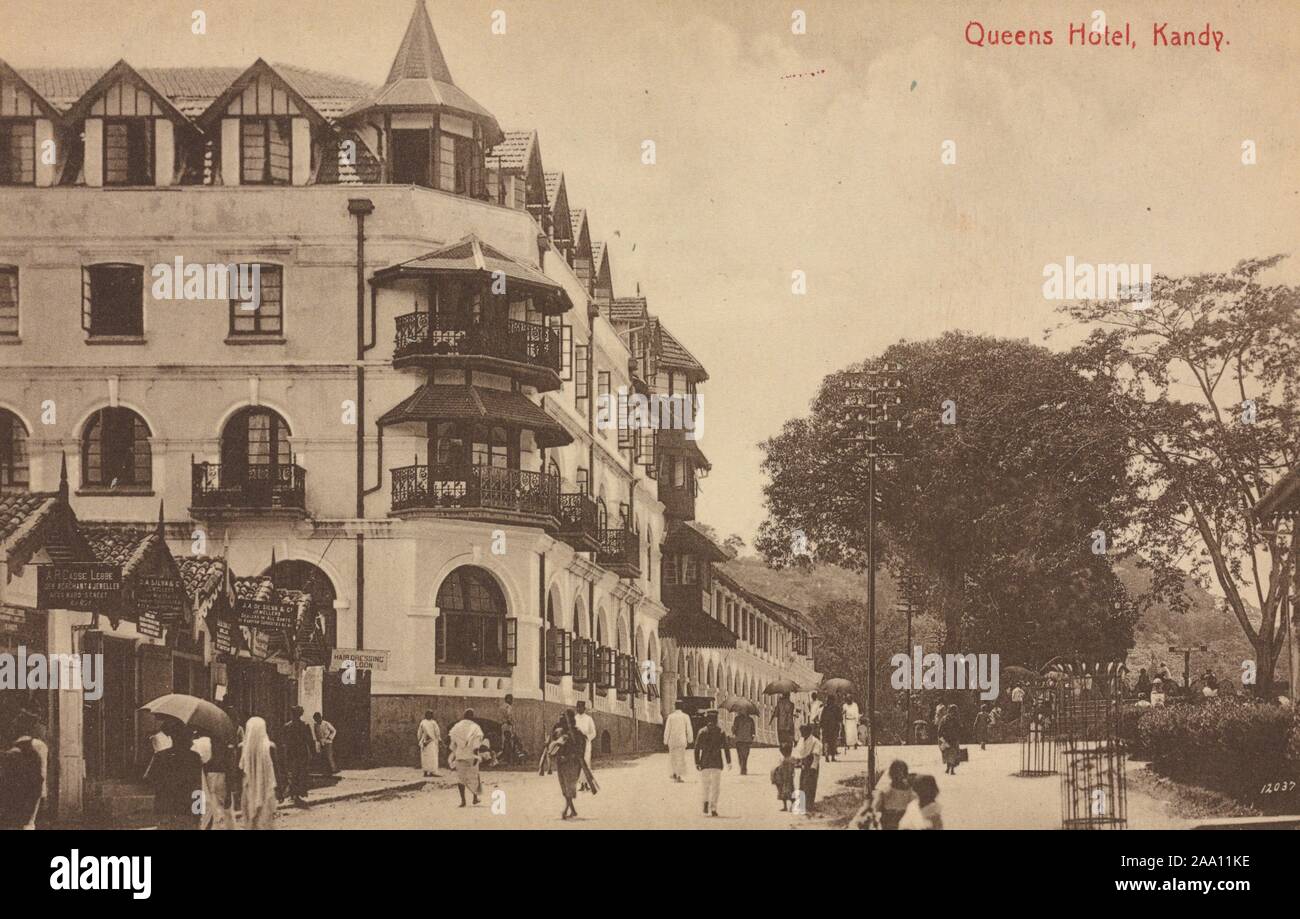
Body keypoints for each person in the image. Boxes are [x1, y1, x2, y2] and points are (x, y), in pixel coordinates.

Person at [149, 719, 203, 830]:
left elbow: (151, 778)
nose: (192, 741)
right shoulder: (194, 757)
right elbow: (197, 786)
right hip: (187, 810)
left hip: (165, 808)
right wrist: (198, 810)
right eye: (190, 737)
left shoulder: (161, 756)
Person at [0, 711, 46, 830]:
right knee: (28, 821)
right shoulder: (33, 745)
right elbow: (42, 770)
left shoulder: (16, 748)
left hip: (24, 786)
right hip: (31, 785)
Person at [240, 716, 280, 829]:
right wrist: (280, 789)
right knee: (266, 822)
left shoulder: (242, 748)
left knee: (251, 822)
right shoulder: (270, 747)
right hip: (267, 789)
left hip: (248, 790)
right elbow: (277, 769)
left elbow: (239, 771)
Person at [855, 758, 915, 830]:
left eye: (900, 774)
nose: (899, 776)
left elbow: (874, 810)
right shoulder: (910, 793)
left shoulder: (885, 792)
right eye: (897, 774)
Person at [549, 710, 588, 819]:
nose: (561, 720)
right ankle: (573, 810)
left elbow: (580, 750)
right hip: (561, 763)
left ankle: (566, 810)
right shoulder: (560, 732)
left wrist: (570, 757)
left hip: (572, 763)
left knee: (569, 786)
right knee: (564, 786)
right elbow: (554, 744)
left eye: (563, 718)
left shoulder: (577, 733)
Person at [693, 710, 731, 817]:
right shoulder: (721, 732)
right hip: (717, 763)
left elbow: (696, 749)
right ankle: (713, 808)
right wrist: (729, 761)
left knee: (705, 785)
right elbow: (726, 748)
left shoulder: (702, 731)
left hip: (704, 762)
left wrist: (697, 762)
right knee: (715, 787)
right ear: (716, 719)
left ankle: (705, 802)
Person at [449, 710, 484, 807]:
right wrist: (476, 756)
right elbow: (476, 744)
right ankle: (475, 798)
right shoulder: (475, 727)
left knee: (461, 778)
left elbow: (452, 744)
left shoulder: (456, 727)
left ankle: (463, 801)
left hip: (460, 756)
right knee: (475, 776)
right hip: (471, 756)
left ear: (464, 716)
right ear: (472, 717)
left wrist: (455, 753)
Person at [280, 706, 315, 804]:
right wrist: (312, 753)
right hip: (301, 752)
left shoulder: (287, 726)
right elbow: (310, 741)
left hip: (292, 752)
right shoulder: (304, 725)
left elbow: (284, 742)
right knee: (301, 772)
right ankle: (297, 794)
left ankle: (293, 794)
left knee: (293, 772)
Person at [792, 723, 823, 814]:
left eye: (804, 731)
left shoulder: (815, 741)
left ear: (809, 731)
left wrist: (813, 767)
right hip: (804, 765)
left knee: (811, 785)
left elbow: (816, 756)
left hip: (812, 764)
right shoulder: (801, 740)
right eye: (801, 731)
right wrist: (797, 762)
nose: (802, 733)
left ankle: (809, 805)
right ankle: (802, 805)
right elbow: (798, 752)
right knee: (802, 783)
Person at [663, 701, 694, 782]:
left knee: (672, 757)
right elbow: (689, 729)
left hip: (672, 741)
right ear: (682, 707)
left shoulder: (670, 717)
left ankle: (674, 773)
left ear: (675, 707)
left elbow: (667, 729)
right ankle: (678, 775)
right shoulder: (685, 716)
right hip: (682, 740)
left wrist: (665, 740)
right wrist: (690, 739)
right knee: (681, 758)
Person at [573, 700, 597, 789]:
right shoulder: (574, 719)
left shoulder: (588, 719)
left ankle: (586, 783)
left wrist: (587, 737)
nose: (579, 709)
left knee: (586, 762)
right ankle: (581, 784)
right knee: (577, 763)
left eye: (581, 707)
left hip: (586, 745)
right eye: (577, 707)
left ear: (584, 708)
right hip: (577, 745)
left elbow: (594, 732)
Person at [770, 743, 796, 811]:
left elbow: (790, 770)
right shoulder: (786, 759)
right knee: (784, 793)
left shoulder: (787, 760)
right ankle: (786, 806)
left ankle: (790, 806)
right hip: (784, 778)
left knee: (788, 793)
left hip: (787, 779)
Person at [417, 710, 442, 777]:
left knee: (430, 757)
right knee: (427, 757)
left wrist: (439, 739)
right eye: (429, 714)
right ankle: (427, 771)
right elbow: (420, 732)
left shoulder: (432, 722)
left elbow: (437, 732)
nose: (431, 715)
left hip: (430, 742)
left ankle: (430, 772)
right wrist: (421, 740)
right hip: (428, 742)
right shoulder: (425, 722)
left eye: (431, 714)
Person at [731, 708, 756, 775]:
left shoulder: (737, 719)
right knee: (746, 755)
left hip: (739, 740)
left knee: (740, 755)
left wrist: (733, 730)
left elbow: (734, 730)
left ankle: (742, 767)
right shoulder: (751, 720)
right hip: (747, 740)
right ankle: (744, 766)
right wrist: (752, 738)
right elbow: (753, 731)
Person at [938, 705, 961, 775]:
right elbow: (959, 728)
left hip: (948, 738)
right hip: (951, 738)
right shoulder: (953, 719)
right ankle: (950, 769)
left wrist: (941, 737)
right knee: (951, 753)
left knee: (949, 753)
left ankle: (949, 769)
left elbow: (940, 729)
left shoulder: (944, 718)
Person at [820, 693, 842, 761]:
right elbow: (840, 718)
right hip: (834, 727)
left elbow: (822, 718)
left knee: (826, 741)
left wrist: (821, 726)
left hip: (826, 728)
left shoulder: (825, 708)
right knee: (833, 742)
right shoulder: (837, 708)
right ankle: (832, 757)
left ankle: (826, 755)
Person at [499, 694, 517, 765]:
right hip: (508, 725)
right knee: (509, 742)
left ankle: (506, 758)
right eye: (511, 699)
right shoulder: (508, 707)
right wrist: (512, 723)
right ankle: (508, 759)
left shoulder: (501, 707)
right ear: (508, 699)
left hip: (503, 725)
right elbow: (509, 716)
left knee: (504, 741)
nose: (512, 701)